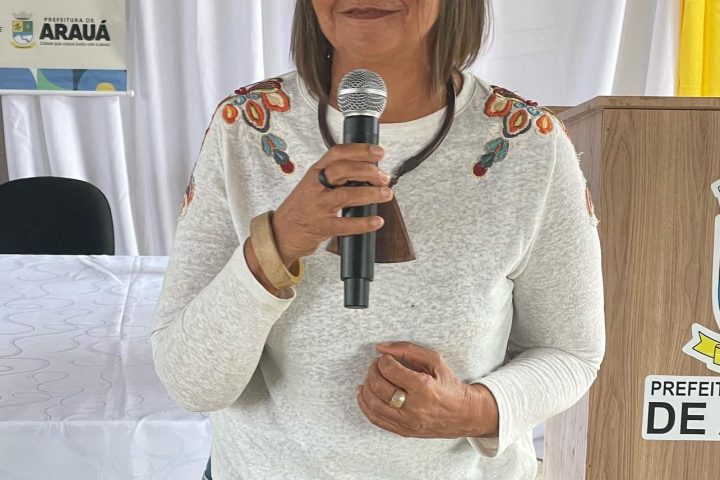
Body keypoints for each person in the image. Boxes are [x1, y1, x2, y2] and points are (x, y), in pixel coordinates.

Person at [151, 1, 606, 479]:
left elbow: (571, 353)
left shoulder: (531, 144)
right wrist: (277, 243)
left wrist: (473, 409)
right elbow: (191, 382)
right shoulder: (246, 128)